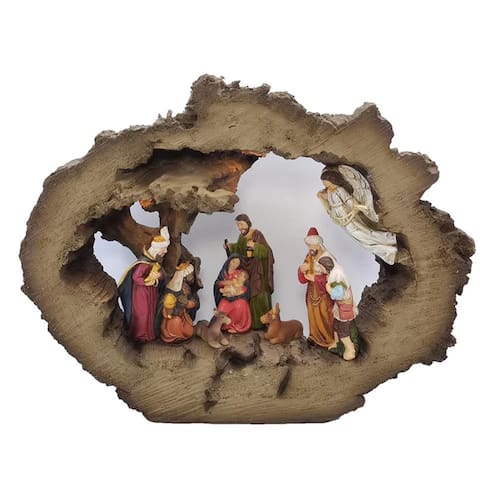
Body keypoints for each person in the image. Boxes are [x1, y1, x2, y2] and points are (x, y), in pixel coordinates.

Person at [318, 165, 398, 265]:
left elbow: (351, 202)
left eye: (324, 181)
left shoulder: (340, 190)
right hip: (343, 220)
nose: (323, 183)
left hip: (349, 218)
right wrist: (321, 197)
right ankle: (388, 247)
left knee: (362, 235)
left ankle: (389, 241)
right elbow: (330, 204)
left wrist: (357, 209)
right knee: (361, 238)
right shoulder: (330, 192)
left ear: (331, 180)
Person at [118, 227, 169, 343]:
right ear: (157, 249)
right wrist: (147, 281)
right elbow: (136, 277)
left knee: (151, 312)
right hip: (141, 294)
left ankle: (149, 335)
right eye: (164, 249)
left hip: (151, 292)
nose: (165, 252)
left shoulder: (153, 262)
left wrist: (158, 277)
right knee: (143, 314)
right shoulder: (143, 264)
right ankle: (140, 335)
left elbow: (161, 275)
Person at [223, 214, 274, 329]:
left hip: (258, 272)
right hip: (247, 271)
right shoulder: (241, 237)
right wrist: (229, 247)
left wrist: (255, 246)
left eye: (241, 224)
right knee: (248, 296)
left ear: (248, 222)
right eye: (238, 225)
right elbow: (238, 249)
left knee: (259, 296)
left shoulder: (257, 234)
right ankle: (249, 323)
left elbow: (267, 252)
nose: (240, 227)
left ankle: (261, 324)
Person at [298, 228, 337, 350]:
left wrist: (316, 278)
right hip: (312, 291)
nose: (310, 249)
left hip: (324, 292)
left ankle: (329, 339)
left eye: (312, 246)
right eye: (308, 246)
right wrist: (302, 270)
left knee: (325, 314)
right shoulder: (310, 256)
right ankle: (314, 337)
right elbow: (303, 276)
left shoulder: (327, 257)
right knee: (312, 313)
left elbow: (334, 278)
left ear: (318, 244)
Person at [321, 256, 359, 361]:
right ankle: (337, 343)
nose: (320, 269)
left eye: (321, 267)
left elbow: (339, 295)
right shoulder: (331, 275)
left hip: (345, 309)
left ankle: (350, 349)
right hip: (339, 308)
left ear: (325, 266)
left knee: (343, 331)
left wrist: (328, 288)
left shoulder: (337, 278)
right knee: (336, 326)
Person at [157, 262, 198, 343]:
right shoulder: (171, 289)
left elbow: (193, 300)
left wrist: (187, 303)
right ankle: (174, 337)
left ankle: (181, 336)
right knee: (176, 322)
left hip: (183, 315)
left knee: (190, 331)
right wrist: (170, 306)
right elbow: (164, 304)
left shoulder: (186, 288)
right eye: (190, 274)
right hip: (172, 316)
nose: (192, 277)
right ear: (184, 276)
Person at [214, 255, 252, 334]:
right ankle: (224, 326)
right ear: (229, 261)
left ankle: (237, 326)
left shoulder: (239, 273)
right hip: (226, 298)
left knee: (241, 305)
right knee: (222, 309)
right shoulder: (223, 273)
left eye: (237, 263)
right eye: (233, 262)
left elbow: (245, 284)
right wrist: (226, 282)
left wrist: (240, 291)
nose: (235, 264)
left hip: (238, 297)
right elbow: (217, 283)